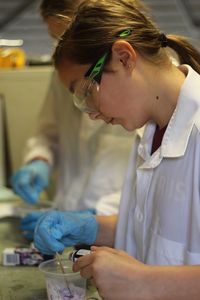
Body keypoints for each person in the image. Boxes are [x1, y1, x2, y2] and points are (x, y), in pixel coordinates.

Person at [34, 0, 200, 298]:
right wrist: (94, 227)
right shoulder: (147, 135)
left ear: (124, 58)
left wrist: (146, 282)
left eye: (86, 92)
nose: (90, 113)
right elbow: (160, 232)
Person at [10, 0, 134, 239]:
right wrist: (40, 160)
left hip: (119, 226)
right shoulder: (65, 73)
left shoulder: (146, 88)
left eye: (67, 40)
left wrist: (96, 217)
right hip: (68, 215)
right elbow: (49, 130)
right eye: (57, 42)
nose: (63, 52)